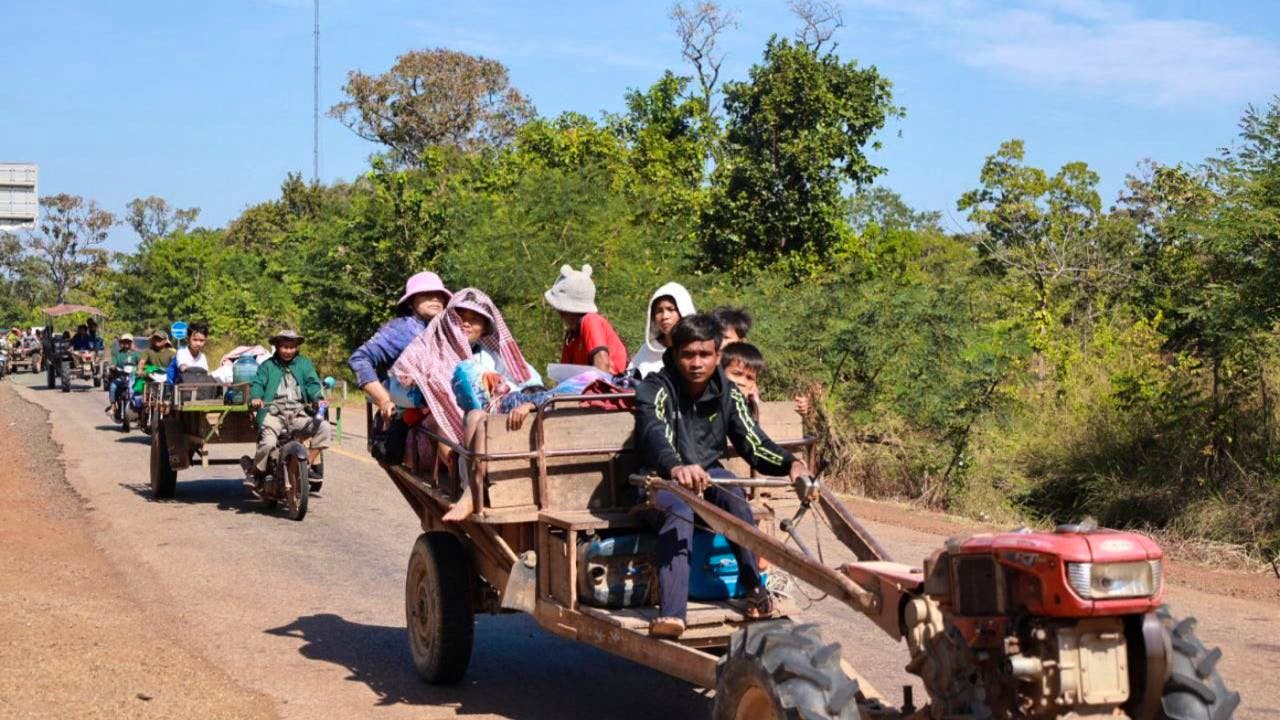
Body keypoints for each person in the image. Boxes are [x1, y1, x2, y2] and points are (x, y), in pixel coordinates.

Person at [633, 314, 809, 638]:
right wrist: (675, 466)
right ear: (675, 355)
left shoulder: (727, 392)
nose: (696, 363)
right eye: (688, 354)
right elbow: (653, 432)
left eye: (704, 355)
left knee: (736, 500)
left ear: (717, 355)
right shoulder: (656, 387)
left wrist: (790, 464)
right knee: (680, 509)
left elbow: (753, 441)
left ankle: (755, 590)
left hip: (708, 474)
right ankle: (673, 614)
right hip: (658, 479)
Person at [392, 288, 540, 521]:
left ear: (485, 328)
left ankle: (496, 484)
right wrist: (433, 400)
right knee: (450, 426)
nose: (467, 325)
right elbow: (400, 389)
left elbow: (529, 381)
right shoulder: (428, 350)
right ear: (449, 320)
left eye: (475, 320)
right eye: (460, 319)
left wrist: (510, 394)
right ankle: (468, 486)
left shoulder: (492, 357)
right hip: (442, 427)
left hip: (493, 426)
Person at [349, 271, 452, 420]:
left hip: (443, 413)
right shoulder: (402, 330)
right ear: (411, 303)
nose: (435, 298)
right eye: (427, 294)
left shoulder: (449, 331)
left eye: (439, 294)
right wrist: (384, 400)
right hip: (403, 417)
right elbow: (359, 358)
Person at [242, 330, 332, 484]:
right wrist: (256, 397)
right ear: (277, 347)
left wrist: (318, 399)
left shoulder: (304, 364)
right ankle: (255, 472)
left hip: (298, 413)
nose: (288, 351)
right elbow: (258, 384)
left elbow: (312, 384)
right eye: (284, 347)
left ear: (297, 347)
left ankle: (306, 465)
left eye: (292, 347)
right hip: (273, 414)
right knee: (268, 443)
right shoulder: (267, 366)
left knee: (324, 427)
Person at [543, 264, 628, 375]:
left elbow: (602, 364)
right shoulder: (572, 334)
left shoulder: (591, 321)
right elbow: (565, 374)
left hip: (614, 386)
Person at [627, 282, 696, 379]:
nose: (664, 317)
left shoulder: (698, 347)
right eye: (659, 311)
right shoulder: (647, 351)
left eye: (671, 309)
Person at [720, 341, 765, 408]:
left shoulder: (750, 410)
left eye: (749, 378)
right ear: (721, 372)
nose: (742, 382)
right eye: (737, 374)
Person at [103, 334, 140, 414]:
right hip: (121, 377)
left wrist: (139, 370)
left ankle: (140, 409)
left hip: (133, 378)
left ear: (131, 342)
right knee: (113, 386)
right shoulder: (118, 354)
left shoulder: (136, 354)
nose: (126, 343)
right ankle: (113, 406)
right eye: (124, 341)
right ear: (122, 342)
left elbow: (141, 364)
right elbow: (113, 363)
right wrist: (113, 367)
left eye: (128, 341)